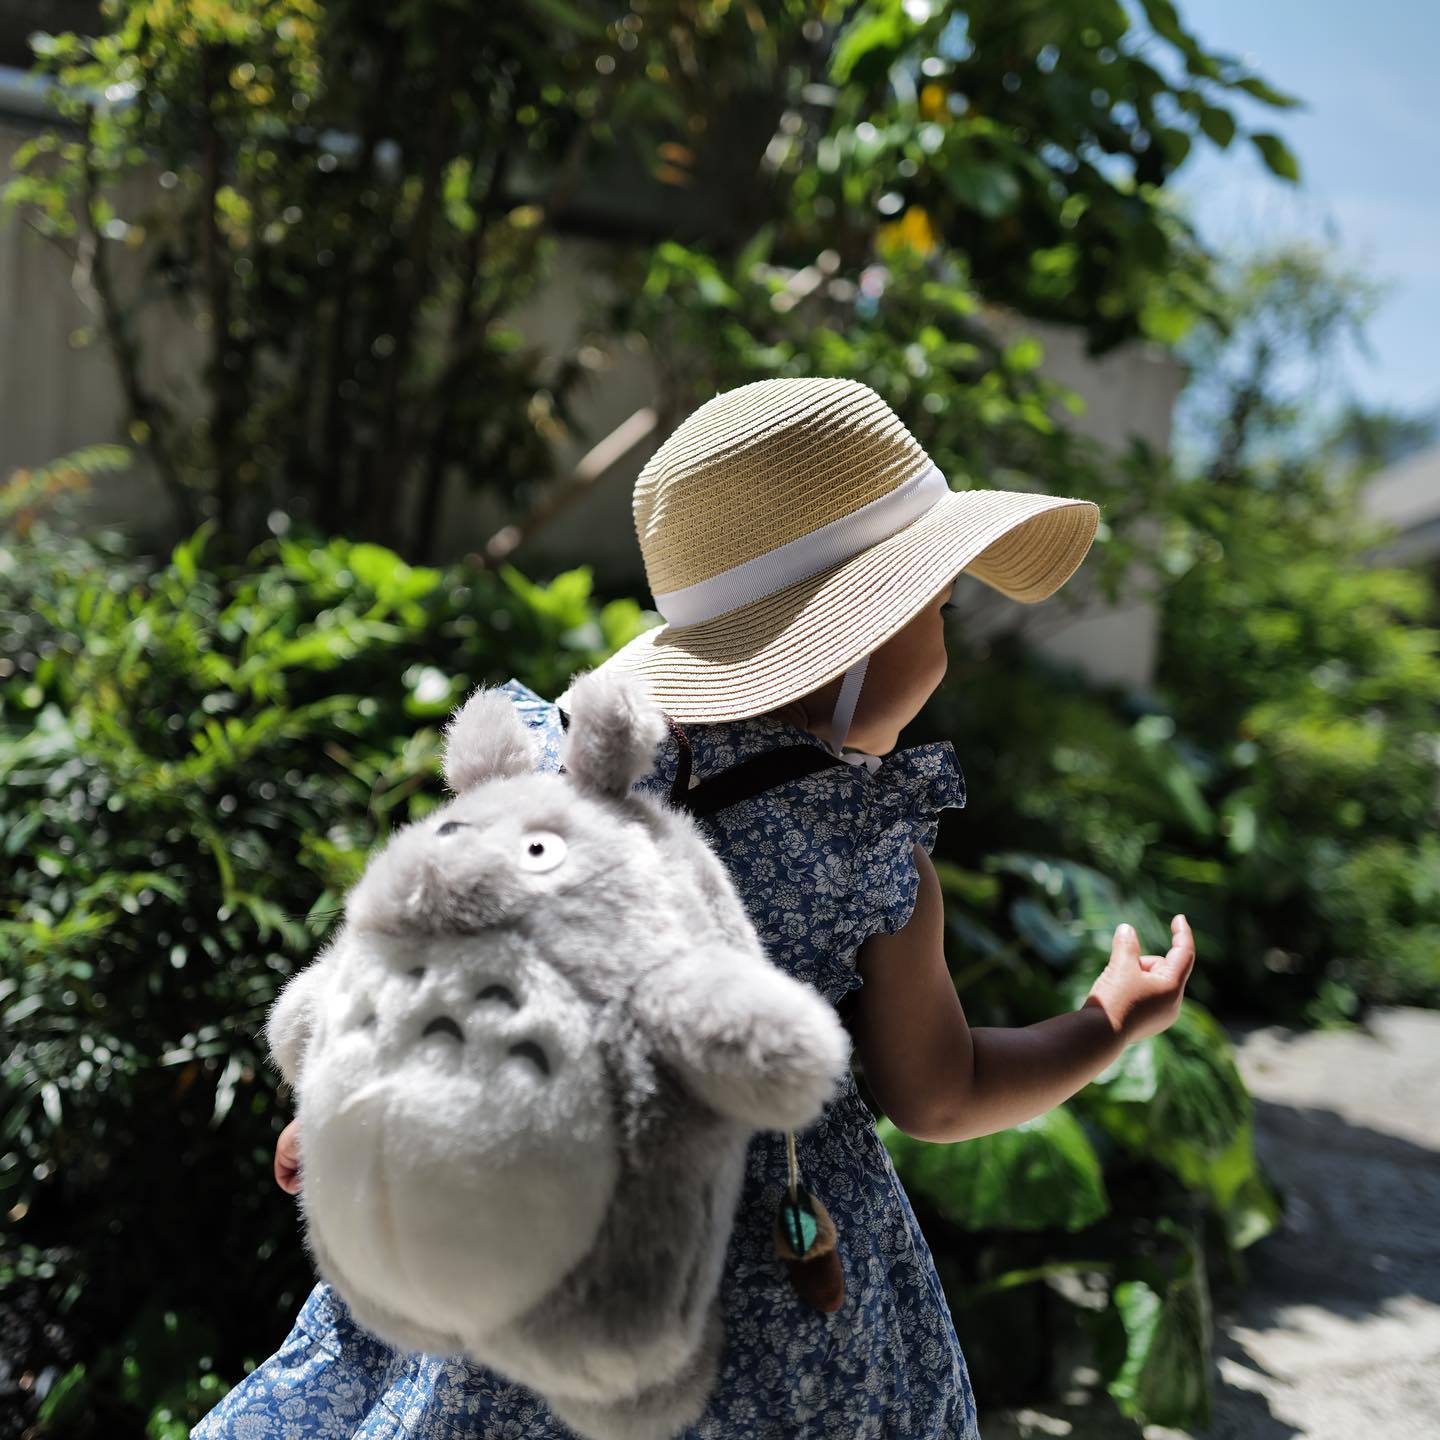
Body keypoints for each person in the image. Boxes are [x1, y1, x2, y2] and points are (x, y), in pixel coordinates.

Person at [197, 376, 1195, 1440]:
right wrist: (1106, 1024)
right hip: (746, 1312)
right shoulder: (864, 851)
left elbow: (437, 943)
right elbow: (941, 1095)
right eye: (936, 608)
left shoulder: (560, 769)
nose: (946, 642)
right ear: (859, 642)